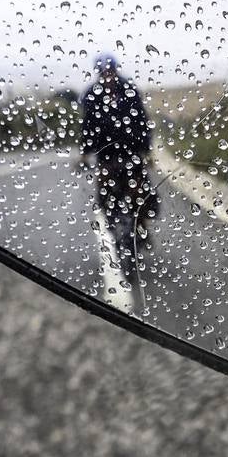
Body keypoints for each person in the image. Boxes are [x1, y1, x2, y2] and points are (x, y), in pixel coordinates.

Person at [80, 54, 159, 284]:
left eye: (110, 71)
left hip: (131, 153)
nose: (108, 76)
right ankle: (112, 224)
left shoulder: (129, 91)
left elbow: (142, 122)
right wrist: (86, 153)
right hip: (107, 156)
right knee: (104, 194)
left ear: (115, 70)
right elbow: (87, 126)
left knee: (143, 194)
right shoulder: (91, 95)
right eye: (103, 72)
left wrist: (146, 151)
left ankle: (143, 227)